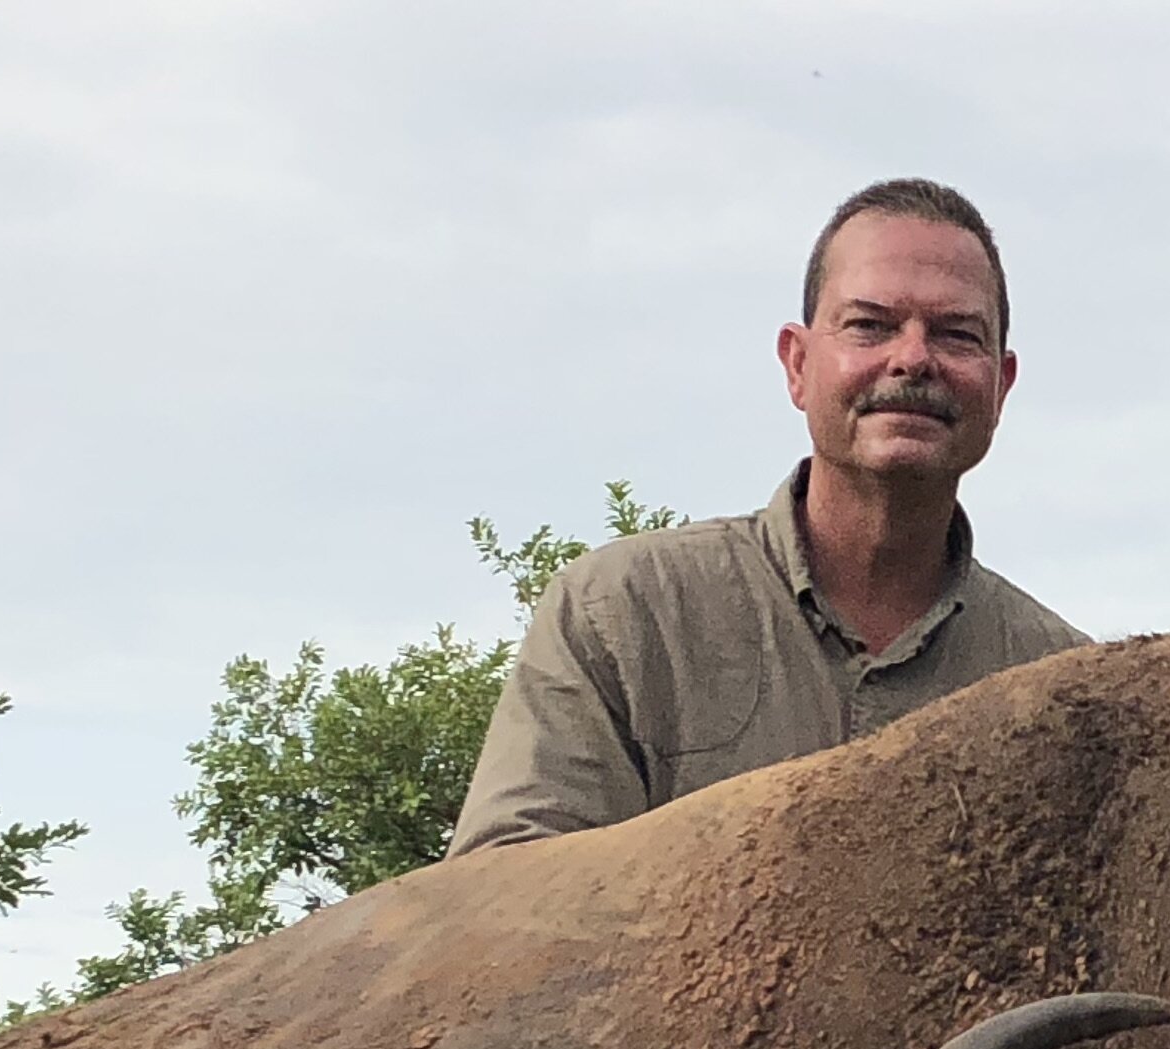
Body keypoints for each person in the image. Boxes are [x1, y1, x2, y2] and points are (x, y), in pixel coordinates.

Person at [447, 178, 1088, 853]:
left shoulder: (1071, 690)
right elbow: (498, 907)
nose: (912, 358)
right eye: (870, 325)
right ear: (798, 364)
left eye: (957, 335)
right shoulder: (623, 612)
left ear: (1001, 385)